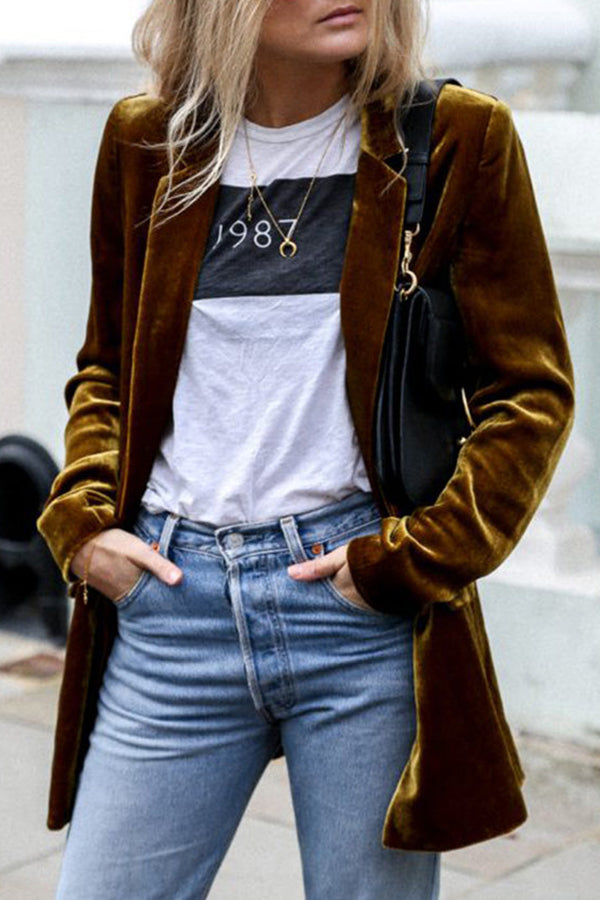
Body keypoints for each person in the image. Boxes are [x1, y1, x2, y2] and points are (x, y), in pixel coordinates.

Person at [36, 1, 575, 898]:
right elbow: (109, 369)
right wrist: (83, 527)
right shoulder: (148, 142)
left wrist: (411, 560)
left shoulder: (453, 138)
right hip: (171, 607)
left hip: (357, 610)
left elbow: (529, 392)